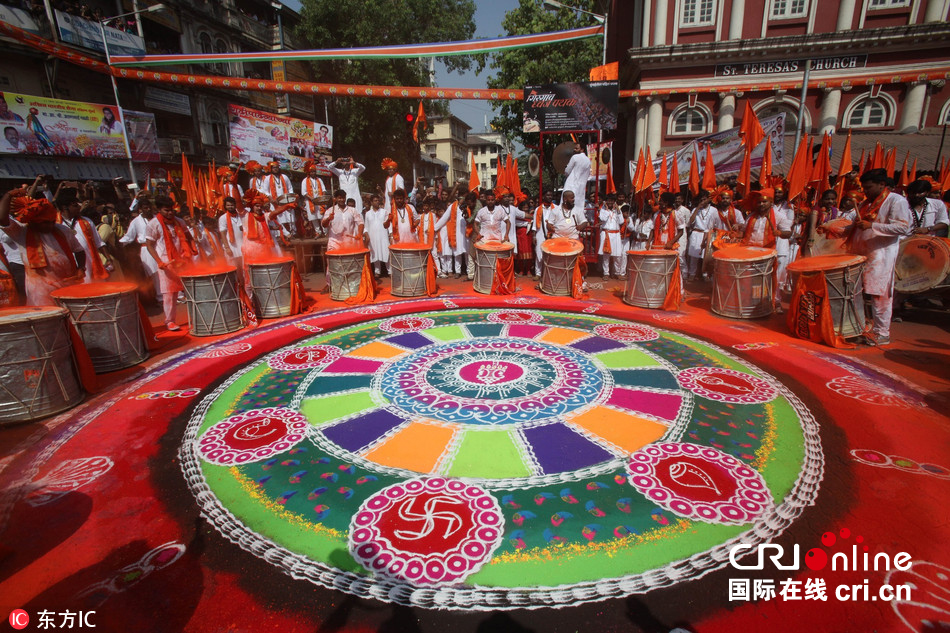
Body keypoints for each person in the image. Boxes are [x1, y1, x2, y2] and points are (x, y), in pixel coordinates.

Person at [842, 168, 912, 345]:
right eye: (864, 188)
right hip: (860, 254)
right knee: (855, 292)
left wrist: (872, 226)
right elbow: (852, 224)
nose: (865, 191)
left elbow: (903, 228)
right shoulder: (866, 203)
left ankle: (882, 333)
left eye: (869, 187)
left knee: (880, 294)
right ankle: (858, 327)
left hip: (881, 255)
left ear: (882, 185)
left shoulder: (896, 201)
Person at [0, 186, 85, 306]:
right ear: (33, 221)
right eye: (45, 223)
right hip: (40, 290)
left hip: (68, 284)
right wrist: (9, 195)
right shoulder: (21, 232)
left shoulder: (62, 230)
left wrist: (81, 268)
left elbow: (79, 250)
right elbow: (2, 219)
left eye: (51, 221)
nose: (50, 226)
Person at [145, 196, 196, 331]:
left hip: (183, 260)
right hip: (166, 263)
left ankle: (197, 316)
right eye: (166, 210)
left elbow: (188, 236)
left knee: (191, 289)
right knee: (169, 294)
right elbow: (149, 245)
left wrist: (191, 248)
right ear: (159, 210)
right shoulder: (153, 224)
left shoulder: (179, 222)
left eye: (172, 210)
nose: (170, 213)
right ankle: (170, 321)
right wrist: (159, 261)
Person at [58, 193, 110, 282]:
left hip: (90, 264)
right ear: (64, 208)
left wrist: (108, 259)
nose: (79, 207)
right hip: (70, 267)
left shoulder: (86, 221)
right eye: (75, 205)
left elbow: (99, 242)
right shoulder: (56, 225)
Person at [241, 189, 284, 263]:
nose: (259, 208)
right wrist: (234, 186)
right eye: (257, 206)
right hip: (250, 250)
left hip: (264, 248)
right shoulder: (246, 215)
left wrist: (287, 206)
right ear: (252, 206)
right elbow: (239, 205)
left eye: (261, 206)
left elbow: (274, 213)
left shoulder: (265, 216)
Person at [686, 189, 715, 280]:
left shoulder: (714, 210)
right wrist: (698, 208)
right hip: (696, 234)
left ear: (708, 199)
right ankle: (692, 274)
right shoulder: (695, 209)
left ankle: (706, 275)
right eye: (701, 200)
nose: (702, 202)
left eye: (704, 199)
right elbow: (690, 221)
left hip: (708, 234)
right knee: (693, 256)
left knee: (706, 256)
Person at [263, 161, 295, 235]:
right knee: (277, 218)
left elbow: (290, 188)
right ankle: (282, 234)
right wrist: (271, 199)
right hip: (274, 202)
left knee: (290, 217)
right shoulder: (267, 178)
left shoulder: (284, 177)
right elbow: (265, 191)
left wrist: (290, 199)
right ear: (271, 169)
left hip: (286, 200)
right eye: (274, 168)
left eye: (277, 167)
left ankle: (293, 232)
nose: (275, 169)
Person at [598, 193, 624, 280]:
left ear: (614, 202)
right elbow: (603, 219)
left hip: (616, 234)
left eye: (612, 201)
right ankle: (606, 273)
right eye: (608, 201)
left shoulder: (617, 211)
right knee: (606, 255)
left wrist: (618, 211)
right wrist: (606, 208)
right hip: (607, 234)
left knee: (617, 255)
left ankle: (617, 272)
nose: (610, 202)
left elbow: (621, 222)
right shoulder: (603, 210)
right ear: (606, 201)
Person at [363, 193, 390, 277]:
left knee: (386, 252)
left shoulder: (384, 212)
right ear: (371, 202)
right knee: (375, 254)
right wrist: (366, 234)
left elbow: (389, 225)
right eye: (375, 201)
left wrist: (391, 235)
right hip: (373, 236)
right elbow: (366, 227)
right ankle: (377, 271)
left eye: (378, 200)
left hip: (383, 236)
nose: (377, 202)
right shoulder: (368, 214)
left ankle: (390, 271)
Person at [531, 189, 556, 280]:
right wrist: (534, 236)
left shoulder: (556, 208)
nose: (550, 197)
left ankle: (549, 273)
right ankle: (538, 273)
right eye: (548, 195)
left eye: (551, 195)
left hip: (552, 234)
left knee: (551, 254)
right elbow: (534, 224)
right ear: (543, 196)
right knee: (539, 253)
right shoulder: (538, 209)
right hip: (540, 233)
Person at [218, 196, 245, 279]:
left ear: (235, 205)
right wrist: (227, 247)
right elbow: (222, 233)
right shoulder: (223, 218)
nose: (230, 207)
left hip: (242, 245)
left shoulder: (240, 215)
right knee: (235, 270)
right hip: (232, 247)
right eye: (228, 205)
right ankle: (238, 289)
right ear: (225, 206)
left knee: (244, 270)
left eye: (232, 205)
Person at [299, 159, 327, 236]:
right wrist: (313, 199)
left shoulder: (319, 180)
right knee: (314, 217)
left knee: (322, 217)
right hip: (310, 202)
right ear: (308, 172)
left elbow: (324, 190)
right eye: (311, 172)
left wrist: (322, 198)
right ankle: (318, 232)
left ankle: (326, 232)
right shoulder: (305, 181)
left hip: (320, 202)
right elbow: (304, 192)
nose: (313, 173)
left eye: (314, 171)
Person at [563, 143, 591, 211]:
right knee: (578, 207)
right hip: (581, 187)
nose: (574, 150)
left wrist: (565, 170)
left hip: (571, 185)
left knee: (567, 206)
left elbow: (567, 172)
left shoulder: (575, 157)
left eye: (576, 148)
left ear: (582, 149)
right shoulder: (588, 160)